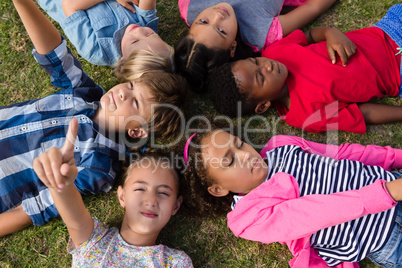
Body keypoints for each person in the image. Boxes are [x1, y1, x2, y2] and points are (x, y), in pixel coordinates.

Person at [0, 0, 187, 237]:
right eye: (130, 85)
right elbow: (54, 55)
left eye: (136, 102)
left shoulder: (98, 165)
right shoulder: (85, 92)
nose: (122, 93)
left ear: (137, 131)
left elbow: (35, 209)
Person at [183, 128, 402, 267]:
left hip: (390, 181)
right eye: (230, 161)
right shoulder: (250, 217)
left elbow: (342, 154)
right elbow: (316, 212)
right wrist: (388, 192)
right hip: (388, 236)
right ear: (219, 189)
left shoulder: (281, 146)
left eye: (239, 144)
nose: (245, 154)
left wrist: (396, 157)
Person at [208, 4, 402, 134]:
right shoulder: (307, 116)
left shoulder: (274, 52)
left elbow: (309, 36)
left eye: (255, 62)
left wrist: (330, 33)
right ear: (263, 105)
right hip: (397, 73)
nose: (266, 65)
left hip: (388, 29)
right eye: (260, 77)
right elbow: (363, 113)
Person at [33, 128, 193, 267]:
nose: (151, 201)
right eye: (140, 189)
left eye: (163, 193)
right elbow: (74, 217)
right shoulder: (95, 240)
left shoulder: (176, 262)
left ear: (176, 206)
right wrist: (60, 184)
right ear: (122, 197)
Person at [174, 0, 336, 92]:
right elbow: (313, 7)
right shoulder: (261, 32)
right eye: (222, 31)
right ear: (232, 48)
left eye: (203, 21)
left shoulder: (191, 6)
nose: (217, 15)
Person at [38, 0, 173, 66]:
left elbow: (69, 5)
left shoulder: (96, 50)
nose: (139, 30)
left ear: (123, 62)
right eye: (151, 34)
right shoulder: (148, 37)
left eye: (135, 41)